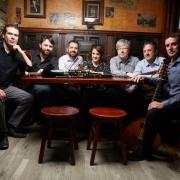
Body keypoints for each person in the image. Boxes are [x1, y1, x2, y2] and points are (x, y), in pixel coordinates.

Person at [130, 33, 180, 163]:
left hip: (176, 104)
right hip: (169, 101)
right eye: (167, 45)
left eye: (174, 44)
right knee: (140, 101)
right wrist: (143, 78)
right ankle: (148, 144)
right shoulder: (170, 63)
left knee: (153, 112)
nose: (170, 48)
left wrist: (164, 104)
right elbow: (161, 81)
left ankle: (144, 152)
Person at [0, 24, 34, 150]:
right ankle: (2, 136)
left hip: (7, 87)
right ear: (3, 35)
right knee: (0, 100)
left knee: (28, 98)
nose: (13, 37)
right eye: (10, 34)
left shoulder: (16, 54)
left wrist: (20, 51)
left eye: (16, 35)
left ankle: (11, 126)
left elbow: (30, 66)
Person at [26, 36, 58, 122]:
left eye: (50, 46)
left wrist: (44, 71)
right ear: (40, 45)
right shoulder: (31, 53)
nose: (48, 48)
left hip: (44, 85)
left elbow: (54, 71)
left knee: (43, 90)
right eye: (46, 45)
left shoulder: (54, 59)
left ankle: (44, 120)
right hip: (28, 85)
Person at [108, 39, 141, 119]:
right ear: (117, 50)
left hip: (132, 89)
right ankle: (113, 120)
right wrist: (127, 74)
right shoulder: (113, 60)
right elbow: (114, 72)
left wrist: (131, 89)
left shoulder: (135, 60)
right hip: (118, 88)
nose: (122, 51)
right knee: (110, 93)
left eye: (124, 48)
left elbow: (138, 75)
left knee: (137, 96)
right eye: (119, 48)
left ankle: (129, 125)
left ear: (129, 50)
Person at [129, 40, 165, 110]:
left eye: (149, 50)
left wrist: (143, 77)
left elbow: (162, 78)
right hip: (143, 92)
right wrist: (153, 76)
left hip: (159, 93)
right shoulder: (140, 63)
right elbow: (135, 76)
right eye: (144, 51)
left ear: (155, 51)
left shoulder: (162, 61)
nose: (146, 53)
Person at [58, 40, 83, 107]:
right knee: (75, 92)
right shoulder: (62, 59)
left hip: (77, 84)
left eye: (75, 48)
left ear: (78, 50)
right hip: (65, 84)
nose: (73, 50)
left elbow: (80, 72)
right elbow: (64, 73)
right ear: (67, 49)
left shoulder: (80, 59)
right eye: (71, 47)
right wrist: (75, 73)